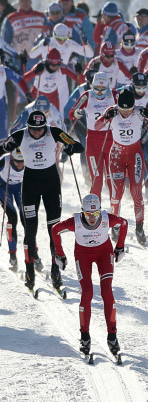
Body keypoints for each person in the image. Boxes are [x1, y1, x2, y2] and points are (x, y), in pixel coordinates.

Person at [0, 110, 83, 290]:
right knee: (30, 229)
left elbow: (78, 146)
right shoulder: (20, 135)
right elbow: (3, 147)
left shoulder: (53, 132)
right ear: (28, 127)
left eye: (40, 129)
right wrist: (6, 147)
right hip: (30, 185)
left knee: (54, 228)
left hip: (51, 183)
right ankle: (29, 270)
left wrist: (71, 148)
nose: (37, 133)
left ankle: (55, 271)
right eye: (33, 130)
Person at [51, 193, 128, 357]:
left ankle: (112, 336)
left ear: (100, 211)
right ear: (82, 212)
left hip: (103, 253)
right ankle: (85, 336)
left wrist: (120, 247)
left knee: (106, 290)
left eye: (95, 214)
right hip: (83, 255)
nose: (92, 218)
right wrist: (59, 254)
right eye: (88, 214)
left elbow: (124, 223)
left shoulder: (107, 219)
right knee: (87, 292)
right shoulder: (75, 222)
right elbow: (55, 229)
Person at [95, 89, 148, 245]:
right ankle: (115, 225)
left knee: (136, 192)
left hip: (135, 155)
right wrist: (106, 117)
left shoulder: (138, 111)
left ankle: (139, 227)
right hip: (116, 155)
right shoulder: (112, 111)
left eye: (128, 110)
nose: (125, 113)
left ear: (133, 106)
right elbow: (97, 126)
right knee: (116, 193)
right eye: (122, 109)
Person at [68, 72, 117, 199]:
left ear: (108, 86)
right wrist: (76, 113)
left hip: (110, 140)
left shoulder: (114, 95)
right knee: (97, 179)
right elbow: (71, 112)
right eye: (96, 89)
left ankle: (115, 210)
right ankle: (96, 211)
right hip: (93, 143)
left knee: (111, 179)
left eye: (103, 89)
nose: (99, 92)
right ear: (92, 86)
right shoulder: (87, 95)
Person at [1, 0, 45, 71]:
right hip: (19, 62)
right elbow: (4, 42)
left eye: (27, 0)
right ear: (18, 2)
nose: (25, 3)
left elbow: (48, 35)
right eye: (22, 1)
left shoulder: (41, 17)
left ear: (31, 1)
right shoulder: (11, 19)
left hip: (40, 61)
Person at [0, 149, 25, 271]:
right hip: (4, 187)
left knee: (26, 219)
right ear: (11, 159)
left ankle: (32, 253)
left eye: (22, 161)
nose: (20, 164)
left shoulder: (29, 160)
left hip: (20, 187)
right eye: (17, 161)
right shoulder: (4, 160)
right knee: (13, 218)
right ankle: (13, 255)